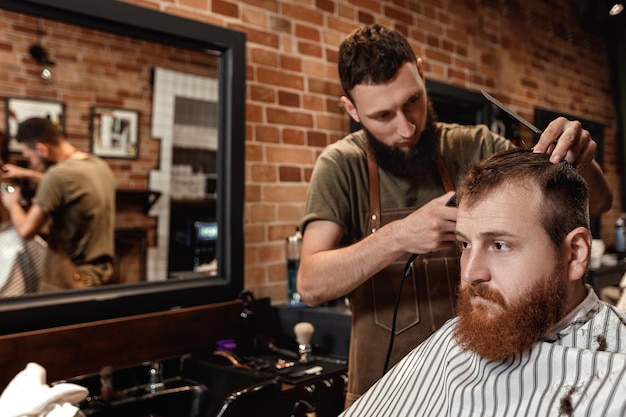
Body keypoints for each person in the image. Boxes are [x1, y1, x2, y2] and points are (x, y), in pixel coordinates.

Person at [296, 23, 613, 406]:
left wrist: (581, 158)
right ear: (351, 109)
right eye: (383, 116)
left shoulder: (474, 144)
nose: (406, 126)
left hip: (478, 377)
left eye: (412, 100)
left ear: (422, 74)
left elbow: (596, 204)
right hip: (382, 386)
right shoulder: (340, 166)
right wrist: (398, 236)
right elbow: (311, 284)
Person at [339, 148, 626, 416]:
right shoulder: (455, 337)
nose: (470, 274)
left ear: (575, 254)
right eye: (464, 244)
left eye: (499, 245)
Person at [0, 117, 116, 291]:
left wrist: (12, 204)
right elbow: (67, 185)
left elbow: (26, 231)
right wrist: (26, 173)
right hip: (101, 273)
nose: (33, 162)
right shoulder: (98, 166)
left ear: (41, 149)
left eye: (29, 155)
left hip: (71, 278)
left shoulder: (57, 175)